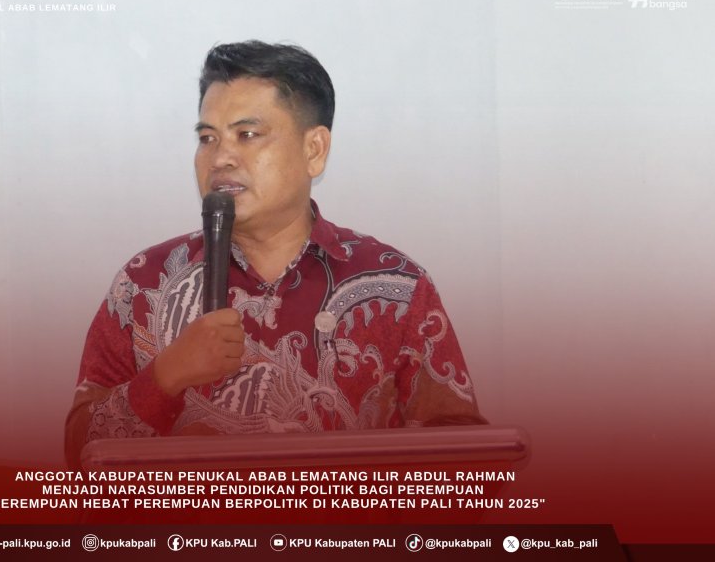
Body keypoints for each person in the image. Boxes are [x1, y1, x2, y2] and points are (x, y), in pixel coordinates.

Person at [65, 40, 485, 469]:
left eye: (247, 135)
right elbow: (81, 456)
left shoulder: (396, 288)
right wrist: (165, 376)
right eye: (208, 138)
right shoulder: (144, 284)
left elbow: (464, 463)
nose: (220, 158)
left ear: (314, 150)